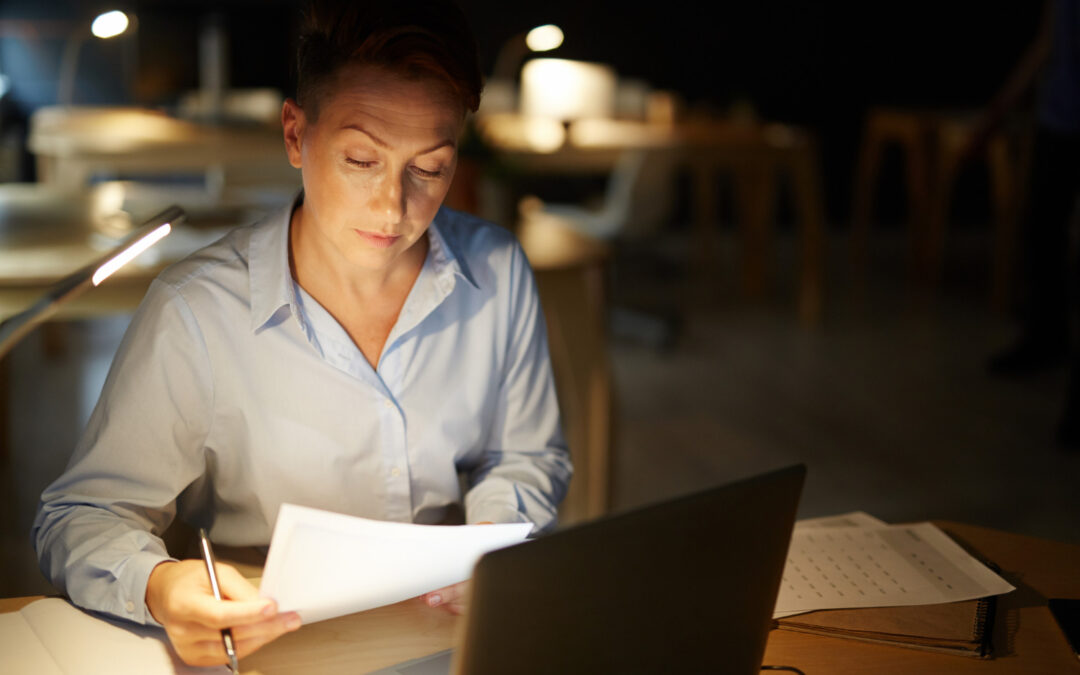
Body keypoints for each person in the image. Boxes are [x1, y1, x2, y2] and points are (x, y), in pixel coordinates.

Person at [32, 0, 571, 666]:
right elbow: (80, 514)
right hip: (267, 647)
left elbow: (527, 457)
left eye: (429, 169)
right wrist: (160, 583)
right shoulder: (198, 311)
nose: (393, 207)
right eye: (361, 160)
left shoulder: (498, 272)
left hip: (445, 640)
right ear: (295, 134)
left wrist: (489, 543)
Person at [972, 0, 1080, 448]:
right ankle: (1045, 334)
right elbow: (1047, 40)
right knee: (1042, 229)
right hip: (1059, 117)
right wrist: (1001, 108)